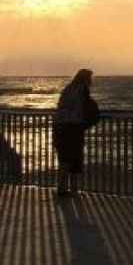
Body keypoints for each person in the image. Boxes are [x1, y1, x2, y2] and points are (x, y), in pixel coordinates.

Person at [54, 68, 99, 197]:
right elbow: (87, 106)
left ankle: (61, 189)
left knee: (63, 159)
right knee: (75, 159)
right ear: (86, 79)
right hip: (73, 127)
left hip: (59, 126)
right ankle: (74, 190)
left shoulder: (68, 88)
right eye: (90, 78)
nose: (91, 81)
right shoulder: (82, 89)